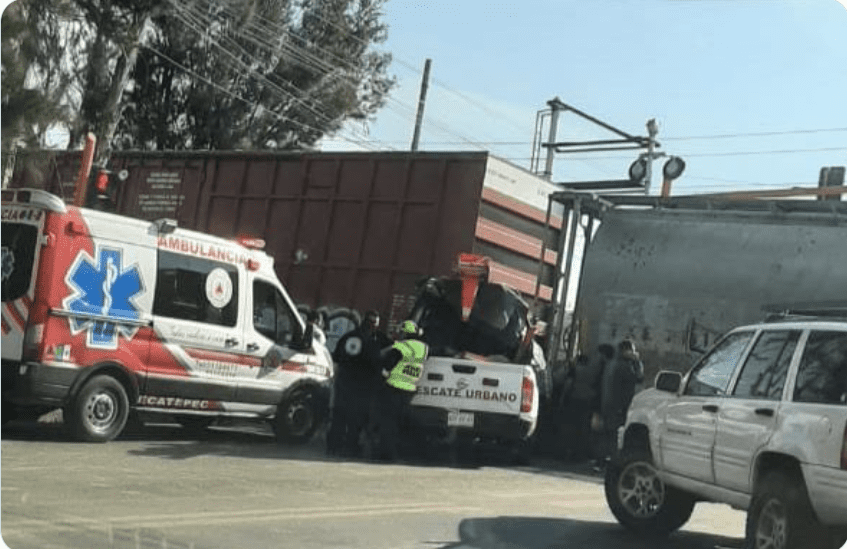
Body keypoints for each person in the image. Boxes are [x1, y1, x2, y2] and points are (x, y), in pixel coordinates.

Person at [326, 310, 391, 457]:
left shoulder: (347, 337)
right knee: (356, 419)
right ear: (375, 325)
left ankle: (332, 446)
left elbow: (336, 359)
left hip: (343, 384)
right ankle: (351, 447)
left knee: (339, 416)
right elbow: (376, 363)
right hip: (361, 387)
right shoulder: (372, 342)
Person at [373, 320, 429, 462]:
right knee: (400, 423)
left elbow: (387, 366)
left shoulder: (400, 347)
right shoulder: (424, 348)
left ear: (404, 333)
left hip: (394, 387)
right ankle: (398, 453)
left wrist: (382, 377)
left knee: (388, 423)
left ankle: (385, 455)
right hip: (410, 389)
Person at [599, 339, 644, 464]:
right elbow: (639, 378)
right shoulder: (624, 366)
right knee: (616, 435)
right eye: (633, 350)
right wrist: (638, 362)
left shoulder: (612, 363)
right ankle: (614, 461)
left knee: (608, 434)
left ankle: (602, 460)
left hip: (609, 404)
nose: (635, 353)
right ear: (626, 350)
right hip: (619, 406)